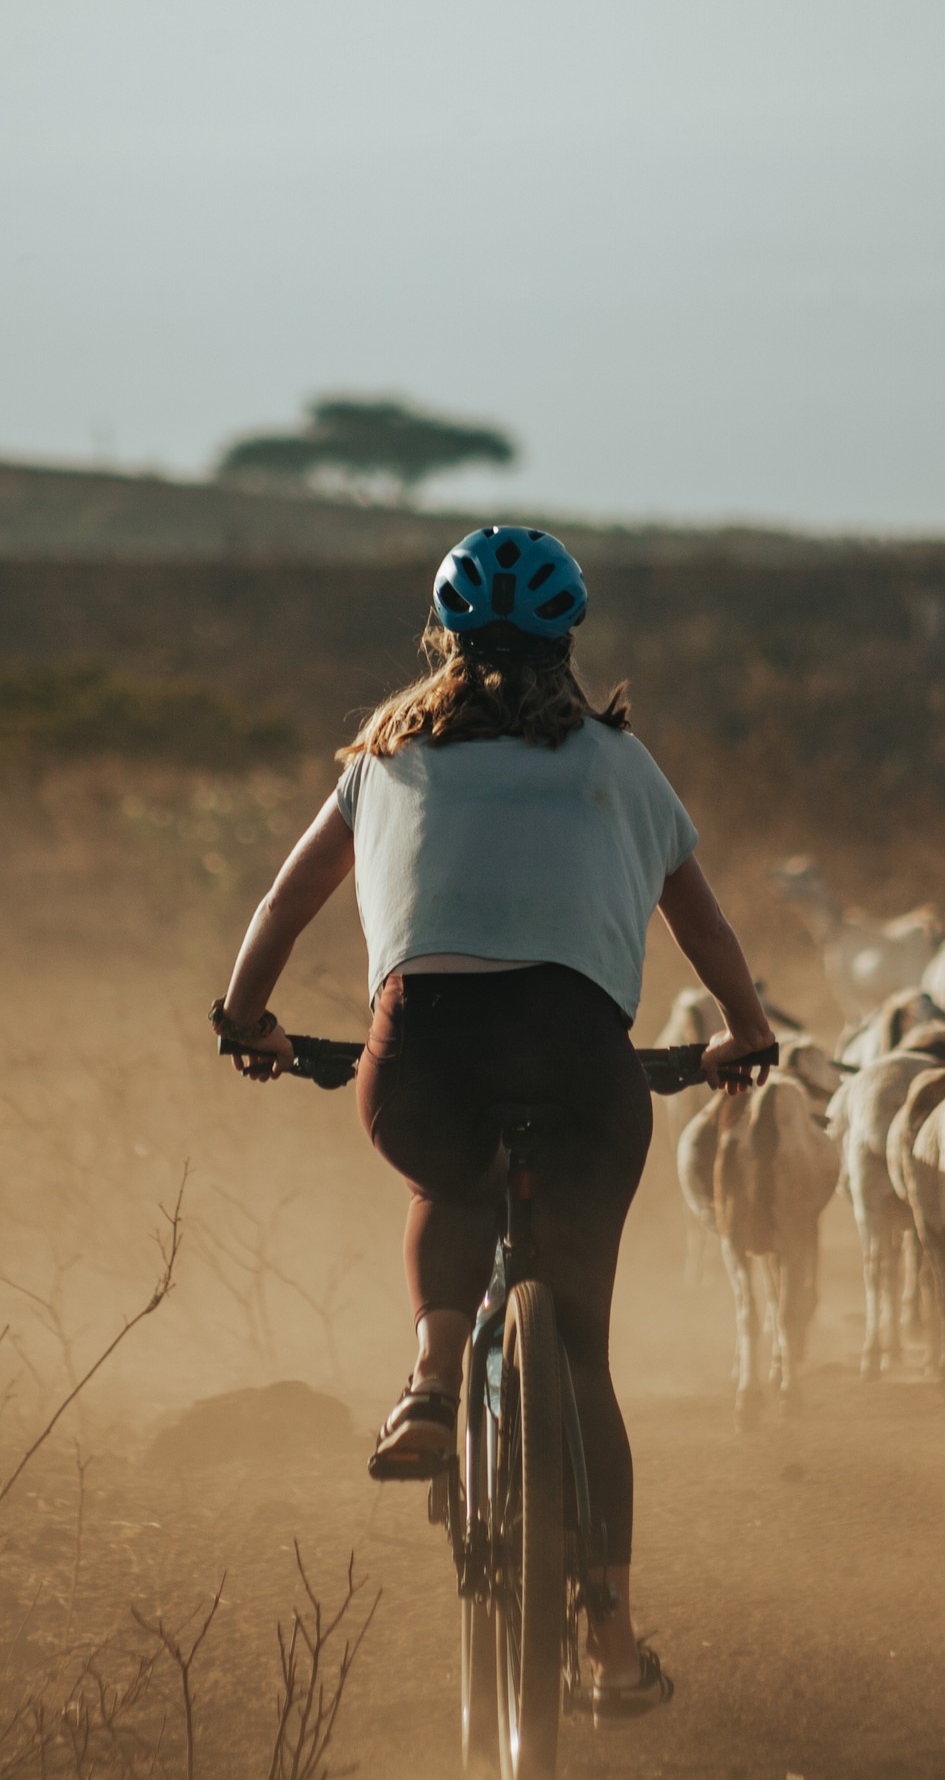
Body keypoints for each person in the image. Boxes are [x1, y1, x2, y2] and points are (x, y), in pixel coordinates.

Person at [210, 524, 775, 1707]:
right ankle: (615, 1652)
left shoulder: (383, 758)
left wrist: (247, 1016)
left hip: (420, 1058)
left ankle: (427, 1376)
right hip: (581, 1066)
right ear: (568, 641)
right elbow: (705, 931)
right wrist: (745, 1033)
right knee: (580, 1356)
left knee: (445, 1181)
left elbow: (287, 897)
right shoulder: (624, 767)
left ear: (447, 641)